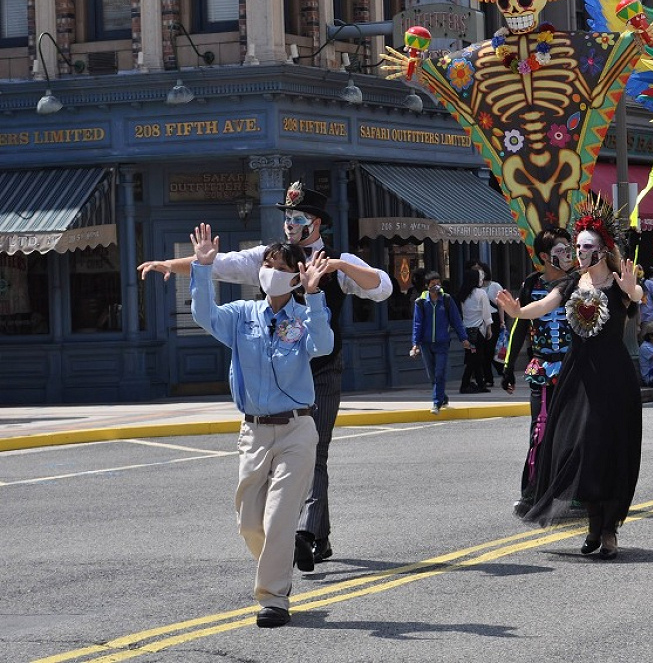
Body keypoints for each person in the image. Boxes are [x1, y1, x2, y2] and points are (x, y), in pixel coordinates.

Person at [138, 182, 392, 571]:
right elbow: (216, 264)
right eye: (287, 217)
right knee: (281, 464)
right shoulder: (268, 255)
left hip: (320, 370)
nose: (290, 224)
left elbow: (382, 287)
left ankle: (305, 535)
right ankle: (314, 536)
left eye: (298, 218)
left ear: (316, 222)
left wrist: (338, 266)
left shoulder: (337, 262)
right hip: (275, 377)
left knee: (315, 451)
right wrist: (169, 265)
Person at [188, 224, 332, 629]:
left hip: (296, 429)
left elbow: (322, 346)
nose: (270, 269)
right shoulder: (241, 315)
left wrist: (315, 294)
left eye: (280, 265)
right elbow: (204, 316)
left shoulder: (305, 315)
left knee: (280, 516)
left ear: (295, 274)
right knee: (249, 521)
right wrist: (203, 267)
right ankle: (283, 558)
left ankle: (273, 598)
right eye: (266, 263)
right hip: (253, 431)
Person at [495, 203, 643, 560]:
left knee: (608, 449)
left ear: (603, 250)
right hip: (577, 374)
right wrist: (517, 312)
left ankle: (608, 531)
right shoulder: (571, 282)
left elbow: (637, 299)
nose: (579, 252)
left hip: (612, 377)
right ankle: (594, 524)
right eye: (576, 246)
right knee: (577, 445)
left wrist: (632, 289)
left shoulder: (620, 280)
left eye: (586, 246)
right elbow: (543, 305)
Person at [502, 227, 574, 512]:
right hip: (543, 367)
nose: (567, 254)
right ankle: (531, 491)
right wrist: (508, 366)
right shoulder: (531, 284)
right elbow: (520, 325)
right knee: (540, 430)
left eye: (569, 249)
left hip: (573, 368)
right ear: (544, 256)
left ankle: (576, 491)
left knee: (573, 429)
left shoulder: (578, 283)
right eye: (560, 250)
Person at [411, 273, 474, 411]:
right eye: (432, 284)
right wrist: (415, 344)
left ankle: (436, 402)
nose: (436, 287)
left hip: (442, 343)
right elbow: (417, 324)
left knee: (439, 372)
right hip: (426, 344)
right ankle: (442, 397)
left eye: (438, 283)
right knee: (432, 375)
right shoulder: (420, 302)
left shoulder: (446, 300)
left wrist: (464, 339)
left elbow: (456, 320)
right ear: (427, 286)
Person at [455, 270, 493, 393]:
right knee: (475, 359)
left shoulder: (462, 294)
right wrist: (489, 328)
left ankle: (480, 384)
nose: (482, 280)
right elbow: (486, 313)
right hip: (478, 331)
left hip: (467, 331)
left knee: (474, 357)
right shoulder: (481, 293)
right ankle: (465, 384)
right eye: (480, 278)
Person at [473, 261, 506, 385]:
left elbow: (501, 305)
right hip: (480, 319)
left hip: (494, 318)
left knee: (491, 350)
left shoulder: (495, 286)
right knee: (484, 351)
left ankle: (502, 371)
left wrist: (502, 321)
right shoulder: (476, 288)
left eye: (479, 271)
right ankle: (488, 378)